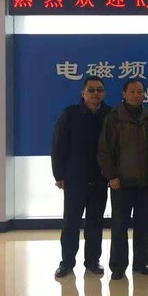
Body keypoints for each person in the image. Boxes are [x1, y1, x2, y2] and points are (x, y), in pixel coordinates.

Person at [51, 75, 111, 278]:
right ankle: (67, 262)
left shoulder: (109, 115)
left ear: (104, 93)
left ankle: (92, 261)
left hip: (100, 178)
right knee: (71, 222)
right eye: (91, 90)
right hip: (75, 177)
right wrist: (59, 174)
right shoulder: (71, 114)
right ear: (83, 93)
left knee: (95, 222)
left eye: (99, 90)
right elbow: (58, 145)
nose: (96, 93)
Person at [98, 79, 148, 280]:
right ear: (124, 94)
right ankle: (118, 266)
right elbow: (104, 149)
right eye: (132, 91)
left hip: (144, 182)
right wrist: (111, 175)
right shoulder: (114, 117)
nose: (136, 95)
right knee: (119, 226)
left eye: (140, 91)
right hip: (120, 182)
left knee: (143, 226)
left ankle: (141, 263)